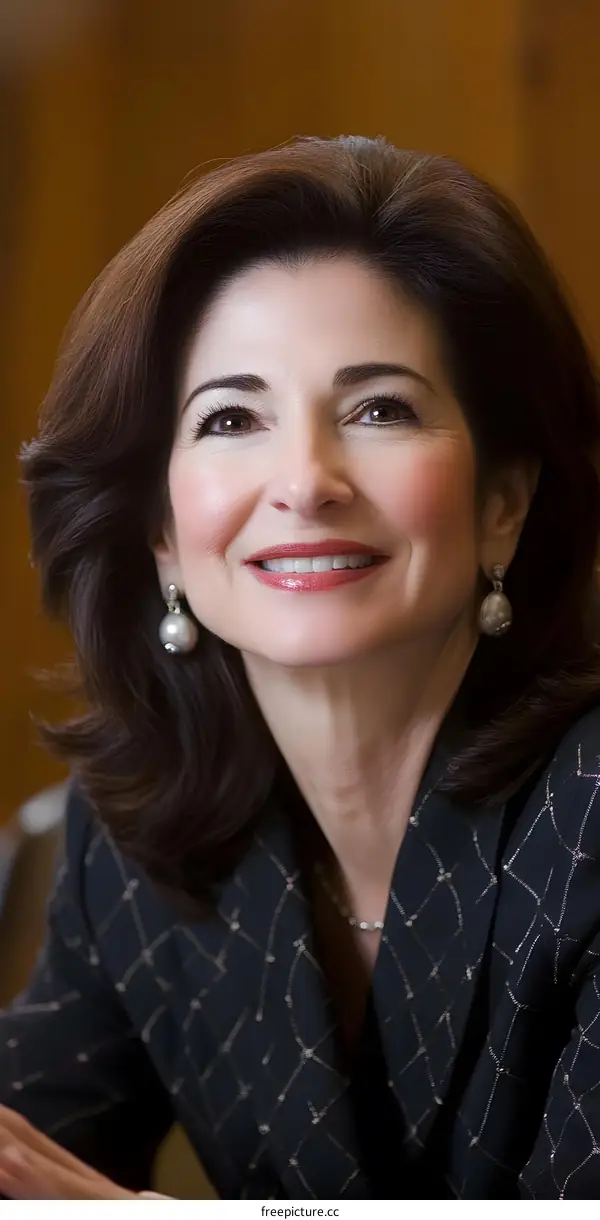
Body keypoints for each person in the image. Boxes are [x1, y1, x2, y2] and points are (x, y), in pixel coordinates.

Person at [1, 134, 600, 1201]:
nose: (306, 481)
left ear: (504, 504)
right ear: (162, 533)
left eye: (380, 409)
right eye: (231, 418)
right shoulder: (135, 841)